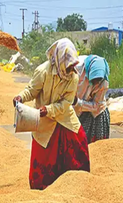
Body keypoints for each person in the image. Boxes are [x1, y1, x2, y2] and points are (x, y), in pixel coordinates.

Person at [13, 38, 90, 190]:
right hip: (44, 123)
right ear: (60, 59)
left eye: (73, 66)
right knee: (43, 162)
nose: (70, 70)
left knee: (79, 146)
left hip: (65, 119)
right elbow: (31, 90)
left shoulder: (73, 77)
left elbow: (66, 104)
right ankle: (43, 191)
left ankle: (77, 187)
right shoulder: (43, 71)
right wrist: (21, 97)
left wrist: (48, 109)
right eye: (68, 66)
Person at [73, 55, 110, 144]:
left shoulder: (104, 83)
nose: (96, 83)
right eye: (94, 79)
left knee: (96, 145)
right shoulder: (76, 70)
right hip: (78, 110)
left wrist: (76, 102)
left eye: (98, 80)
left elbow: (96, 106)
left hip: (96, 113)